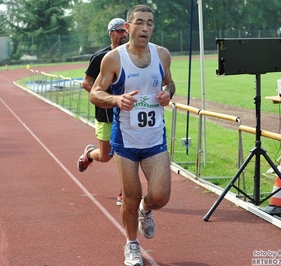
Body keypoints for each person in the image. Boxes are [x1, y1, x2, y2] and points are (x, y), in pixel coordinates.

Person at [90, 5, 176, 266]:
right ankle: (132, 245)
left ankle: (146, 210)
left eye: (150, 23)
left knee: (160, 196)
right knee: (130, 195)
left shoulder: (162, 55)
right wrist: (116, 99)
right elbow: (95, 92)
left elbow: (169, 82)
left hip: (154, 140)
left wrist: (168, 93)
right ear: (127, 28)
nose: (146, 28)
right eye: (140, 22)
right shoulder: (114, 59)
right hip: (126, 140)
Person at [77, 18, 128, 206]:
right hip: (105, 113)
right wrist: (105, 98)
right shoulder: (100, 57)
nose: (123, 34)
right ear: (110, 33)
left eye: (125, 31)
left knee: (126, 153)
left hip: (126, 113)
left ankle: (125, 192)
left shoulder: (132, 55)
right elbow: (86, 82)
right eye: (119, 31)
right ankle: (90, 154)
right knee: (106, 156)